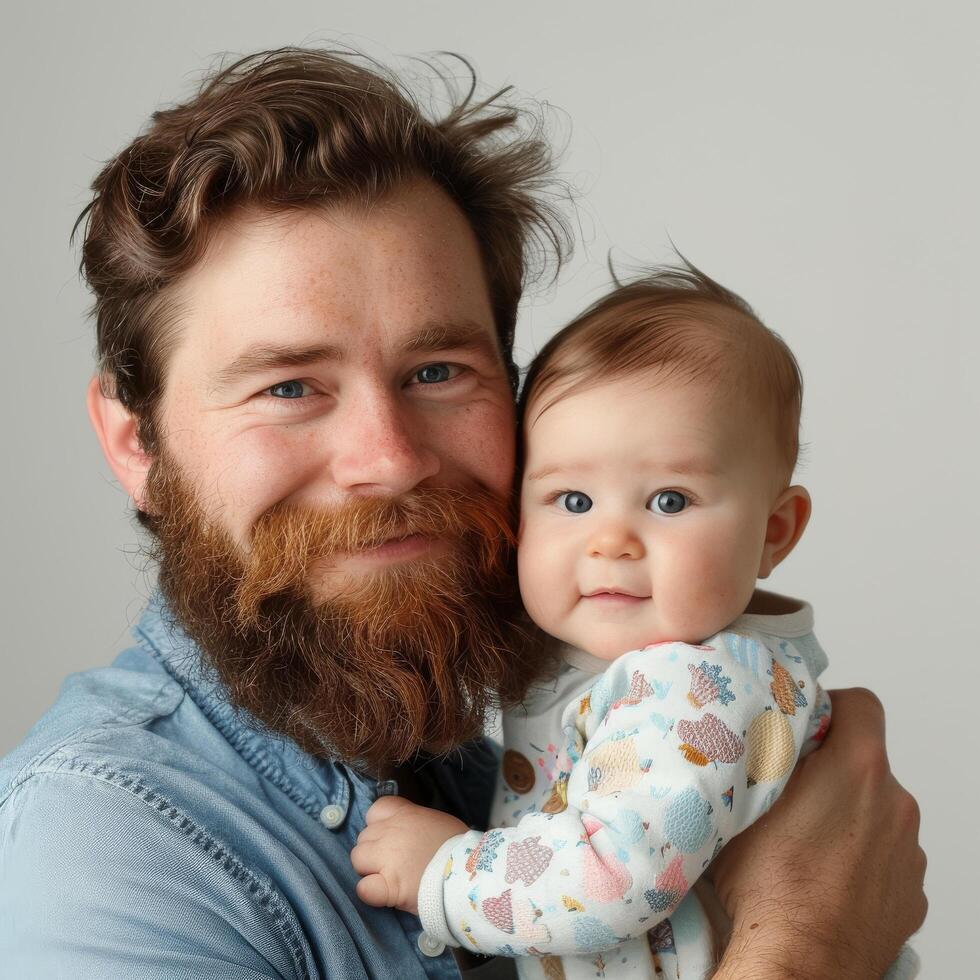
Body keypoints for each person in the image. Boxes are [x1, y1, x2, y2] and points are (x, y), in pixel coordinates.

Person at [0, 48, 925, 978]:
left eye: (437, 372)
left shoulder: (501, 774)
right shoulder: (103, 854)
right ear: (137, 445)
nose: (392, 459)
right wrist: (809, 938)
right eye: (288, 387)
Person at [351, 269, 921, 979]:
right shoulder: (608, 651)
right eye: (573, 499)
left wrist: (444, 873)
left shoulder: (700, 687)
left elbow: (613, 880)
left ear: (775, 531)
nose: (611, 540)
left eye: (671, 501)